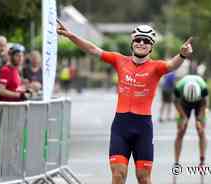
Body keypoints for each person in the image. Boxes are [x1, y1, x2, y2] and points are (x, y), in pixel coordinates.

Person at [57, 20, 193, 184]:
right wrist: (71, 35)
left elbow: (172, 65)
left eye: (146, 41)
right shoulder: (119, 60)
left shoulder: (156, 67)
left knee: (143, 178)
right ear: (132, 42)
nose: (141, 43)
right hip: (121, 127)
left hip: (142, 128)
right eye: (138, 39)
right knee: (118, 175)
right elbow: (93, 49)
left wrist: (183, 55)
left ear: (151, 46)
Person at [173, 75, 209, 168]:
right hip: (183, 103)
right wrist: (184, 117)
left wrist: (199, 118)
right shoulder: (178, 87)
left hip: (200, 103)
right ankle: (176, 163)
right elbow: (176, 103)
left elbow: (205, 103)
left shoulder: (203, 87)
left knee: (201, 131)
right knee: (180, 131)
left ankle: (202, 161)